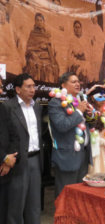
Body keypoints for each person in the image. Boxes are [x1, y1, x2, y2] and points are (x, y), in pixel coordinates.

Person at [4, 73, 43, 224]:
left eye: (34, 86)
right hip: (18, 161)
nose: (32, 89)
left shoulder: (37, 107)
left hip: (35, 160)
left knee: (34, 205)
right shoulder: (8, 107)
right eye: (28, 86)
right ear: (18, 89)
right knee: (16, 206)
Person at [48, 72, 92, 198]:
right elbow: (62, 125)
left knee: (80, 195)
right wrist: (79, 112)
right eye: (73, 82)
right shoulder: (55, 103)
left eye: (78, 82)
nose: (77, 84)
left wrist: (90, 115)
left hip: (83, 154)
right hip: (67, 156)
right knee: (66, 196)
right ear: (63, 85)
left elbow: (86, 126)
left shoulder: (79, 101)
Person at [0, 76, 19, 224]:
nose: (1, 91)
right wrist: (3, 157)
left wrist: (9, 159)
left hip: (4, 171)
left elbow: (14, 134)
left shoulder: (3, 108)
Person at [24, 12, 59, 83]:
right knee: (36, 65)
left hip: (47, 57)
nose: (39, 22)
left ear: (43, 22)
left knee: (52, 67)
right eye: (37, 20)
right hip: (35, 56)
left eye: (41, 20)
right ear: (35, 22)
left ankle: (48, 87)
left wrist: (47, 47)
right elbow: (29, 48)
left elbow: (51, 48)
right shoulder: (32, 34)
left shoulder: (47, 34)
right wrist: (39, 47)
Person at [87, 85, 105, 174]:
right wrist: (103, 142)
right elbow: (91, 134)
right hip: (95, 150)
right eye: (99, 97)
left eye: (104, 97)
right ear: (92, 98)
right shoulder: (90, 113)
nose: (103, 99)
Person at [67, 20, 91, 85]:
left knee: (87, 68)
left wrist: (83, 54)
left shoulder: (85, 40)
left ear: (81, 28)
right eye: (76, 27)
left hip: (84, 60)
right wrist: (75, 58)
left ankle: (85, 86)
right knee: (77, 68)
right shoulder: (71, 40)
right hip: (75, 61)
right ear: (74, 29)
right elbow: (69, 55)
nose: (77, 29)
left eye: (78, 27)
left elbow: (88, 53)